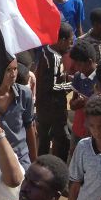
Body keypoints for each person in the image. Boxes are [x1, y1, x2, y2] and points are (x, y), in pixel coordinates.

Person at [34, 22, 73, 160]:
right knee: (63, 139)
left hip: (43, 108)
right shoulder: (55, 58)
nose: (70, 46)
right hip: (52, 110)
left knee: (44, 141)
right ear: (62, 40)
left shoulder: (46, 52)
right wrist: (71, 85)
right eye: (70, 42)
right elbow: (52, 87)